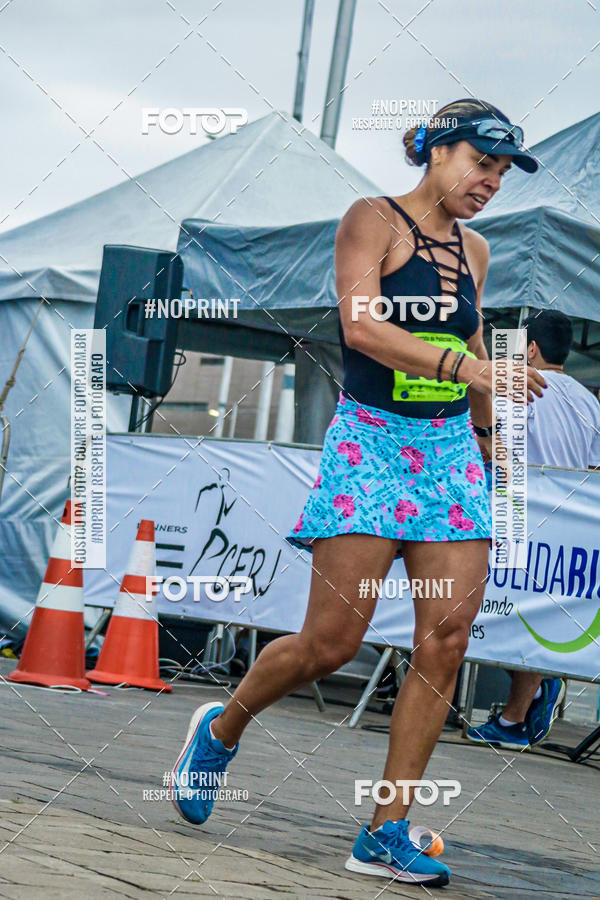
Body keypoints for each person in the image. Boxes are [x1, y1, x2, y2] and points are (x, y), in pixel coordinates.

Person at [169, 98, 546, 889]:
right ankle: (222, 726)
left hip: (446, 451)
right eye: (482, 163)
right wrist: (469, 370)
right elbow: (363, 329)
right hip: (370, 441)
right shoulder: (369, 218)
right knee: (331, 643)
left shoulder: (475, 249)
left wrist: (488, 436)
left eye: (503, 172)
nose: (491, 183)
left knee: (447, 636)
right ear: (437, 152)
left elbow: (469, 340)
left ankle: (385, 829)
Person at [468, 309, 600, 750]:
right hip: (565, 534)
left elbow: (486, 446)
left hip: (510, 516)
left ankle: (515, 714)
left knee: (481, 609)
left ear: (532, 350)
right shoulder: (589, 401)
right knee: (524, 616)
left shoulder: (514, 388)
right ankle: (523, 704)